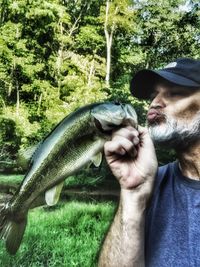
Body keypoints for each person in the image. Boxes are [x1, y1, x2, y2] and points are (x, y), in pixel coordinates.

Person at [98, 58, 200, 267]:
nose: (154, 103)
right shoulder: (151, 183)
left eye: (175, 92)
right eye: (154, 95)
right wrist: (133, 193)